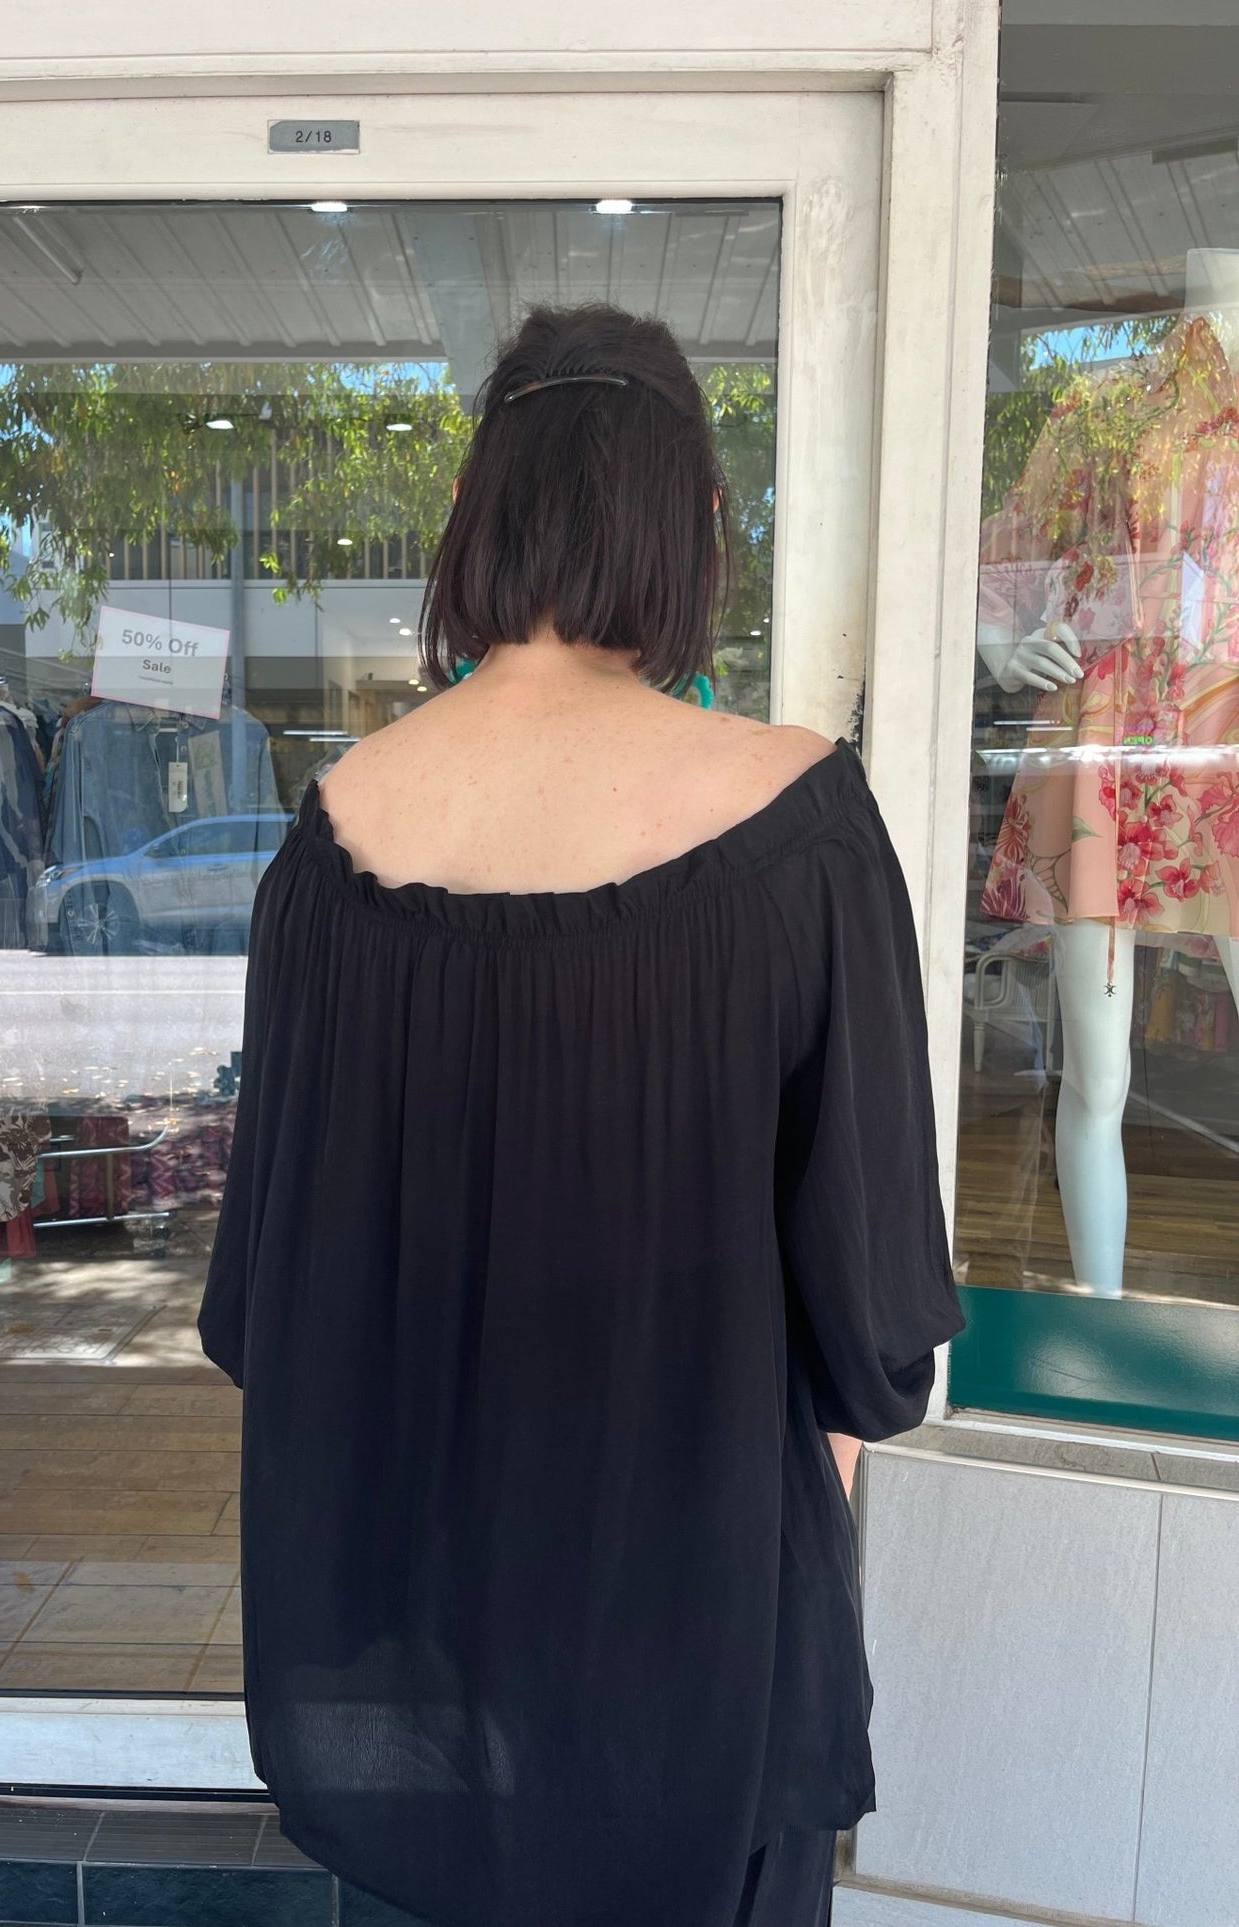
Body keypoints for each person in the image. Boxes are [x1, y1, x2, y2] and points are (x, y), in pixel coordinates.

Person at [199, 302, 966, 1927]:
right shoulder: (803, 825)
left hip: (419, 1658)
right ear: (695, 519)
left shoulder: (328, 835)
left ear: (477, 512)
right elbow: (875, 1318)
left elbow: (265, 1305)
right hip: (701, 1635)